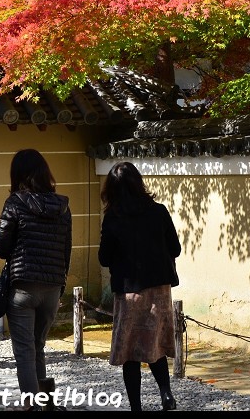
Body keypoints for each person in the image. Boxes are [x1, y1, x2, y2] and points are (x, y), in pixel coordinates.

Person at [98, 161, 181, 412]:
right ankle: (166, 394)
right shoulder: (159, 211)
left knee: (130, 352)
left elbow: (104, 258)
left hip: (129, 291)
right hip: (159, 289)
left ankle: (136, 407)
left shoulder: (112, 218)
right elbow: (175, 248)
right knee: (154, 346)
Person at [0, 149, 72, 410]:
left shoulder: (15, 203)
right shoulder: (63, 207)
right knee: (39, 345)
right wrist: (60, 286)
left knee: (25, 350)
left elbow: (2, 247)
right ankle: (44, 402)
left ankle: (31, 405)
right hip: (52, 287)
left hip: (23, 287)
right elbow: (66, 250)